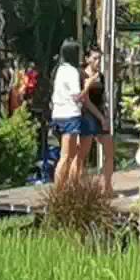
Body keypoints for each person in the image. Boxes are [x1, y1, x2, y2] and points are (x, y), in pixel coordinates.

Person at [50, 39, 88, 186]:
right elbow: (76, 96)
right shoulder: (72, 72)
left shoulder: (59, 70)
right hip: (70, 115)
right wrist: (88, 85)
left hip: (58, 114)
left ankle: (66, 185)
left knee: (70, 154)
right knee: (66, 156)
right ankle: (58, 189)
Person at [82, 48, 115, 195]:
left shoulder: (100, 76)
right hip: (88, 114)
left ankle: (107, 187)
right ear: (87, 59)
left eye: (99, 59)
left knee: (109, 150)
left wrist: (105, 115)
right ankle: (82, 188)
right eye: (95, 58)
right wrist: (100, 117)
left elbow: (102, 97)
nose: (98, 61)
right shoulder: (82, 75)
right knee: (83, 153)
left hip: (100, 113)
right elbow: (86, 101)